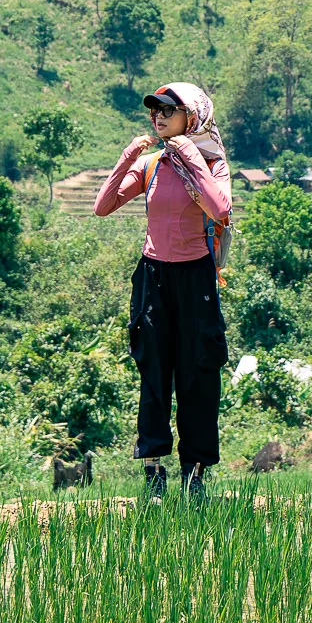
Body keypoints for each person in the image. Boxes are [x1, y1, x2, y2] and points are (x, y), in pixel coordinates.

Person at [92, 81, 232, 501]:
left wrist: (189, 155)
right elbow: (103, 206)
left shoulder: (212, 161)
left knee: (198, 373)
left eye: (168, 110)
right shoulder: (152, 164)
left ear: (192, 116)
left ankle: (196, 474)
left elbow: (220, 209)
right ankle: (154, 471)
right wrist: (125, 159)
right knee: (154, 373)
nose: (158, 116)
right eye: (154, 110)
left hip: (195, 279)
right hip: (153, 277)